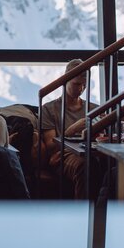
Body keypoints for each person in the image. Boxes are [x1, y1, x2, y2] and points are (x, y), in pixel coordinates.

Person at [39, 59, 101, 200]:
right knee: (87, 165)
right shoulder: (49, 109)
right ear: (65, 80)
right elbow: (50, 146)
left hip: (91, 153)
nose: (81, 89)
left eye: (84, 85)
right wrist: (71, 130)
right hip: (63, 156)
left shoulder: (94, 109)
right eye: (76, 84)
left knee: (111, 165)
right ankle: (84, 211)